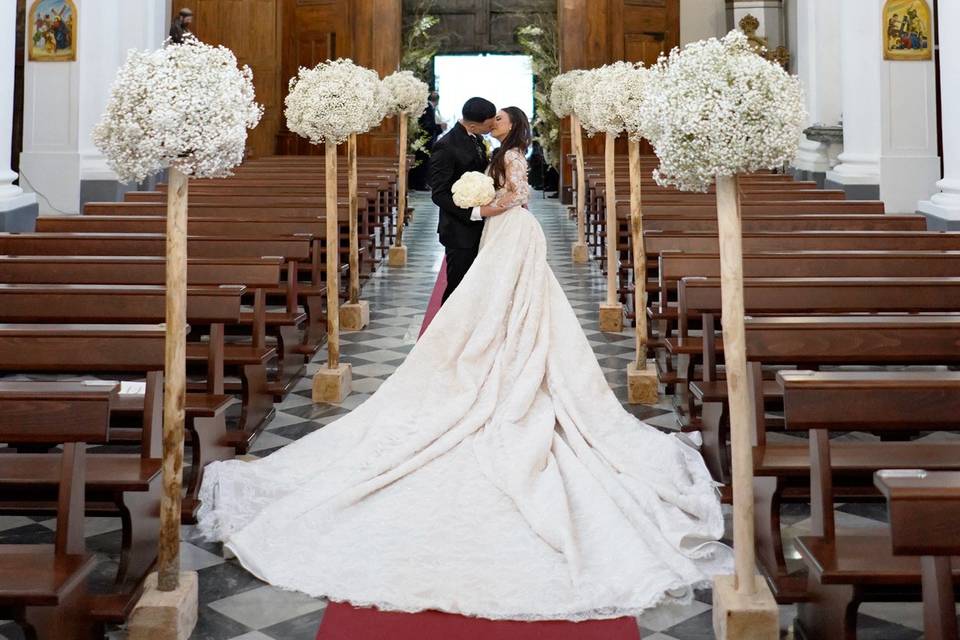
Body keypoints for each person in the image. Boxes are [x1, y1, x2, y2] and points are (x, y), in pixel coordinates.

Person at [197, 104, 730, 623]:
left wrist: (481, 205)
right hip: (500, 231)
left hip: (511, 231)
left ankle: (508, 361)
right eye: (491, 117)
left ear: (511, 124)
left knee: (511, 301)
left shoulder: (515, 153)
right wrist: (479, 201)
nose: (494, 122)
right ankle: (491, 351)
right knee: (488, 299)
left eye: (499, 118)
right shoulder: (501, 147)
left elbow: (517, 195)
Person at [428, 97, 498, 303]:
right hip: (459, 230)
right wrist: (473, 213)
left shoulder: (477, 138)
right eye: (489, 123)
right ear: (474, 124)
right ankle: (446, 332)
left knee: (476, 287)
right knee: (458, 288)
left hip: (481, 226)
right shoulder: (446, 146)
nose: (493, 125)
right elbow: (439, 193)